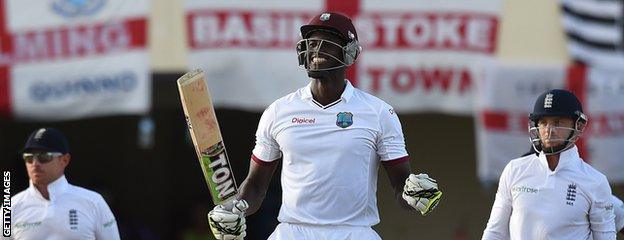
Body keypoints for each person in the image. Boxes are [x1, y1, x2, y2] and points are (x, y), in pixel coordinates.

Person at [206, 12, 443, 240]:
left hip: (354, 232)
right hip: (293, 232)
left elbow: (401, 185)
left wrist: (414, 194)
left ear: (349, 53)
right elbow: (256, 186)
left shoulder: (379, 113)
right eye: (311, 43)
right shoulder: (278, 112)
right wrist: (236, 208)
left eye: (326, 43)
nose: (315, 50)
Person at [482, 89, 616, 239]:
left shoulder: (595, 181)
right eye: (543, 122)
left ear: (578, 126)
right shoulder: (515, 170)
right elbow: (495, 233)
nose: (549, 130)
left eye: (558, 122)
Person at [7, 128, 120, 240]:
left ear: (64, 160)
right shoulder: (10, 208)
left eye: (44, 156)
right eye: (29, 157)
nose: (35, 164)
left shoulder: (94, 202)